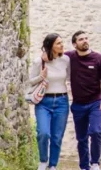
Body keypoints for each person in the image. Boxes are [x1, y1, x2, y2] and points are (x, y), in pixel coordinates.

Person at [66, 30, 101, 170]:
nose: (85, 41)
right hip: (78, 105)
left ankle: (95, 163)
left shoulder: (98, 58)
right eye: (81, 39)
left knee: (96, 131)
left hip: (95, 103)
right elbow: (54, 56)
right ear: (74, 44)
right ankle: (84, 166)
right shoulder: (69, 57)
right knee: (82, 138)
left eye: (86, 38)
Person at [31, 33, 71, 170]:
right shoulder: (39, 62)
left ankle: (52, 165)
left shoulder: (66, 60)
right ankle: (43, 161)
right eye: (58, 43)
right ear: (51, 46)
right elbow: (29, 81)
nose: (62, 45)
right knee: (43, 133)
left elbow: (71, 78)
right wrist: (40, 77)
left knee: (57, 136)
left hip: (62, 101)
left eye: (62, 42)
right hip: (43, 102)